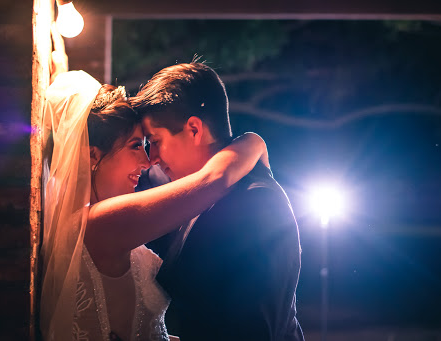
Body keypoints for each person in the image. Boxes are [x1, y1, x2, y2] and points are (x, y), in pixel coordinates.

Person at [40, 27, 269, 341]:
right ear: (93, 156)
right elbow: (212, 180)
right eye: (136, 146)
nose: (148, 163)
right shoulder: (96, 225)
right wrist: (253, 143)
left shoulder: (99, 227)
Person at [132, 62, 305, 341]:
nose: (152, 159)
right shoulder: (202, 189)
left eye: (155, 141)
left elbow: (255, 329)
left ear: (194, 130)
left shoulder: (256, 203)